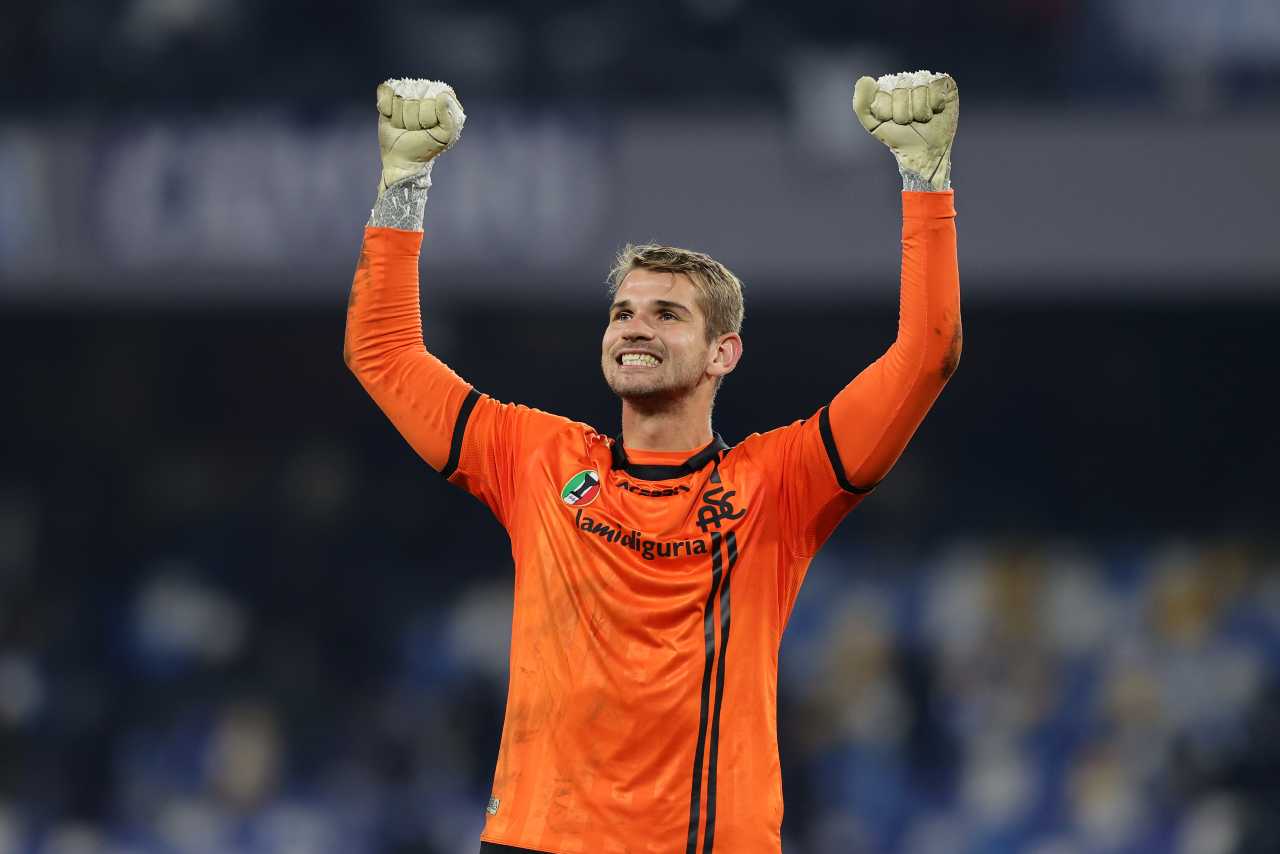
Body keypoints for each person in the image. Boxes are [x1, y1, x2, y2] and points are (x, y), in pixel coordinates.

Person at [345, 71, 962, 854]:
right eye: (622, 312)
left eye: (667, 314)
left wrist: (924, 179)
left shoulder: (779, 482)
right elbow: (384, 354)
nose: (634, 327)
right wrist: (404, 180)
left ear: (722, 353)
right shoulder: (537, 457)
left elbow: (927, 354)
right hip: (540, 843)